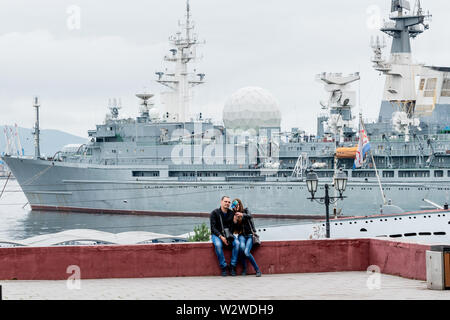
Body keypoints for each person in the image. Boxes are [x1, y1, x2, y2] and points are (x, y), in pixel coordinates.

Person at [210, 196, 241, 276]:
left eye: (229, 202)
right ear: (221, 202)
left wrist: (234, 222)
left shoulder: (231, 213)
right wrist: (221, 237)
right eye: (225, 201)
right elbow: (213, 228)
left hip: (228, 235)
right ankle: (223, 267)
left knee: (237, 243)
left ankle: (232, 266)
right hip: (217, 235)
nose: (227, 203)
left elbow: (233, 230)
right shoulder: (214, 213)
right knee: (218, 244)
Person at [230, 198, 262, 277]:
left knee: (247, 252)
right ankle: (244, 268)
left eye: (236, 205)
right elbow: (234, 229)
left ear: (239, 204)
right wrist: (234, 221)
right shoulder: (234, 215)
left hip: (250, 235)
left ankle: (257, 270)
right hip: (241, 236)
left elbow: (250, 216)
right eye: (234, 206)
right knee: (241, 249)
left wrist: (242, 214)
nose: (235, 207)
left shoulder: (246, 210)